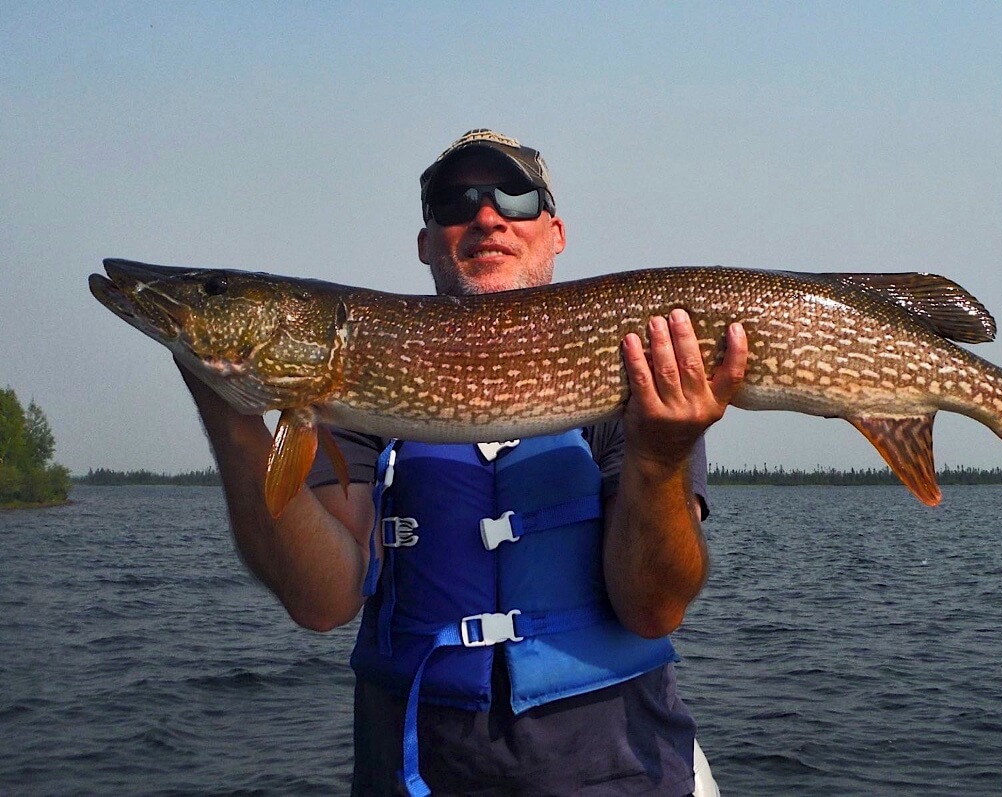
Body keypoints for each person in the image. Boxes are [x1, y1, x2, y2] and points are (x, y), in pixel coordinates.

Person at [178, 129, 747, 796]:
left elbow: (652, 609)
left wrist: (660, 456)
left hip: (616, 774)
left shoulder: (639, 369)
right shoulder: (356, 390)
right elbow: (321, 600)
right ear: (425, 242)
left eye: (515, 195)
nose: (486, 215)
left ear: (555, 230)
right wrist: (230, 408)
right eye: (455, 201)